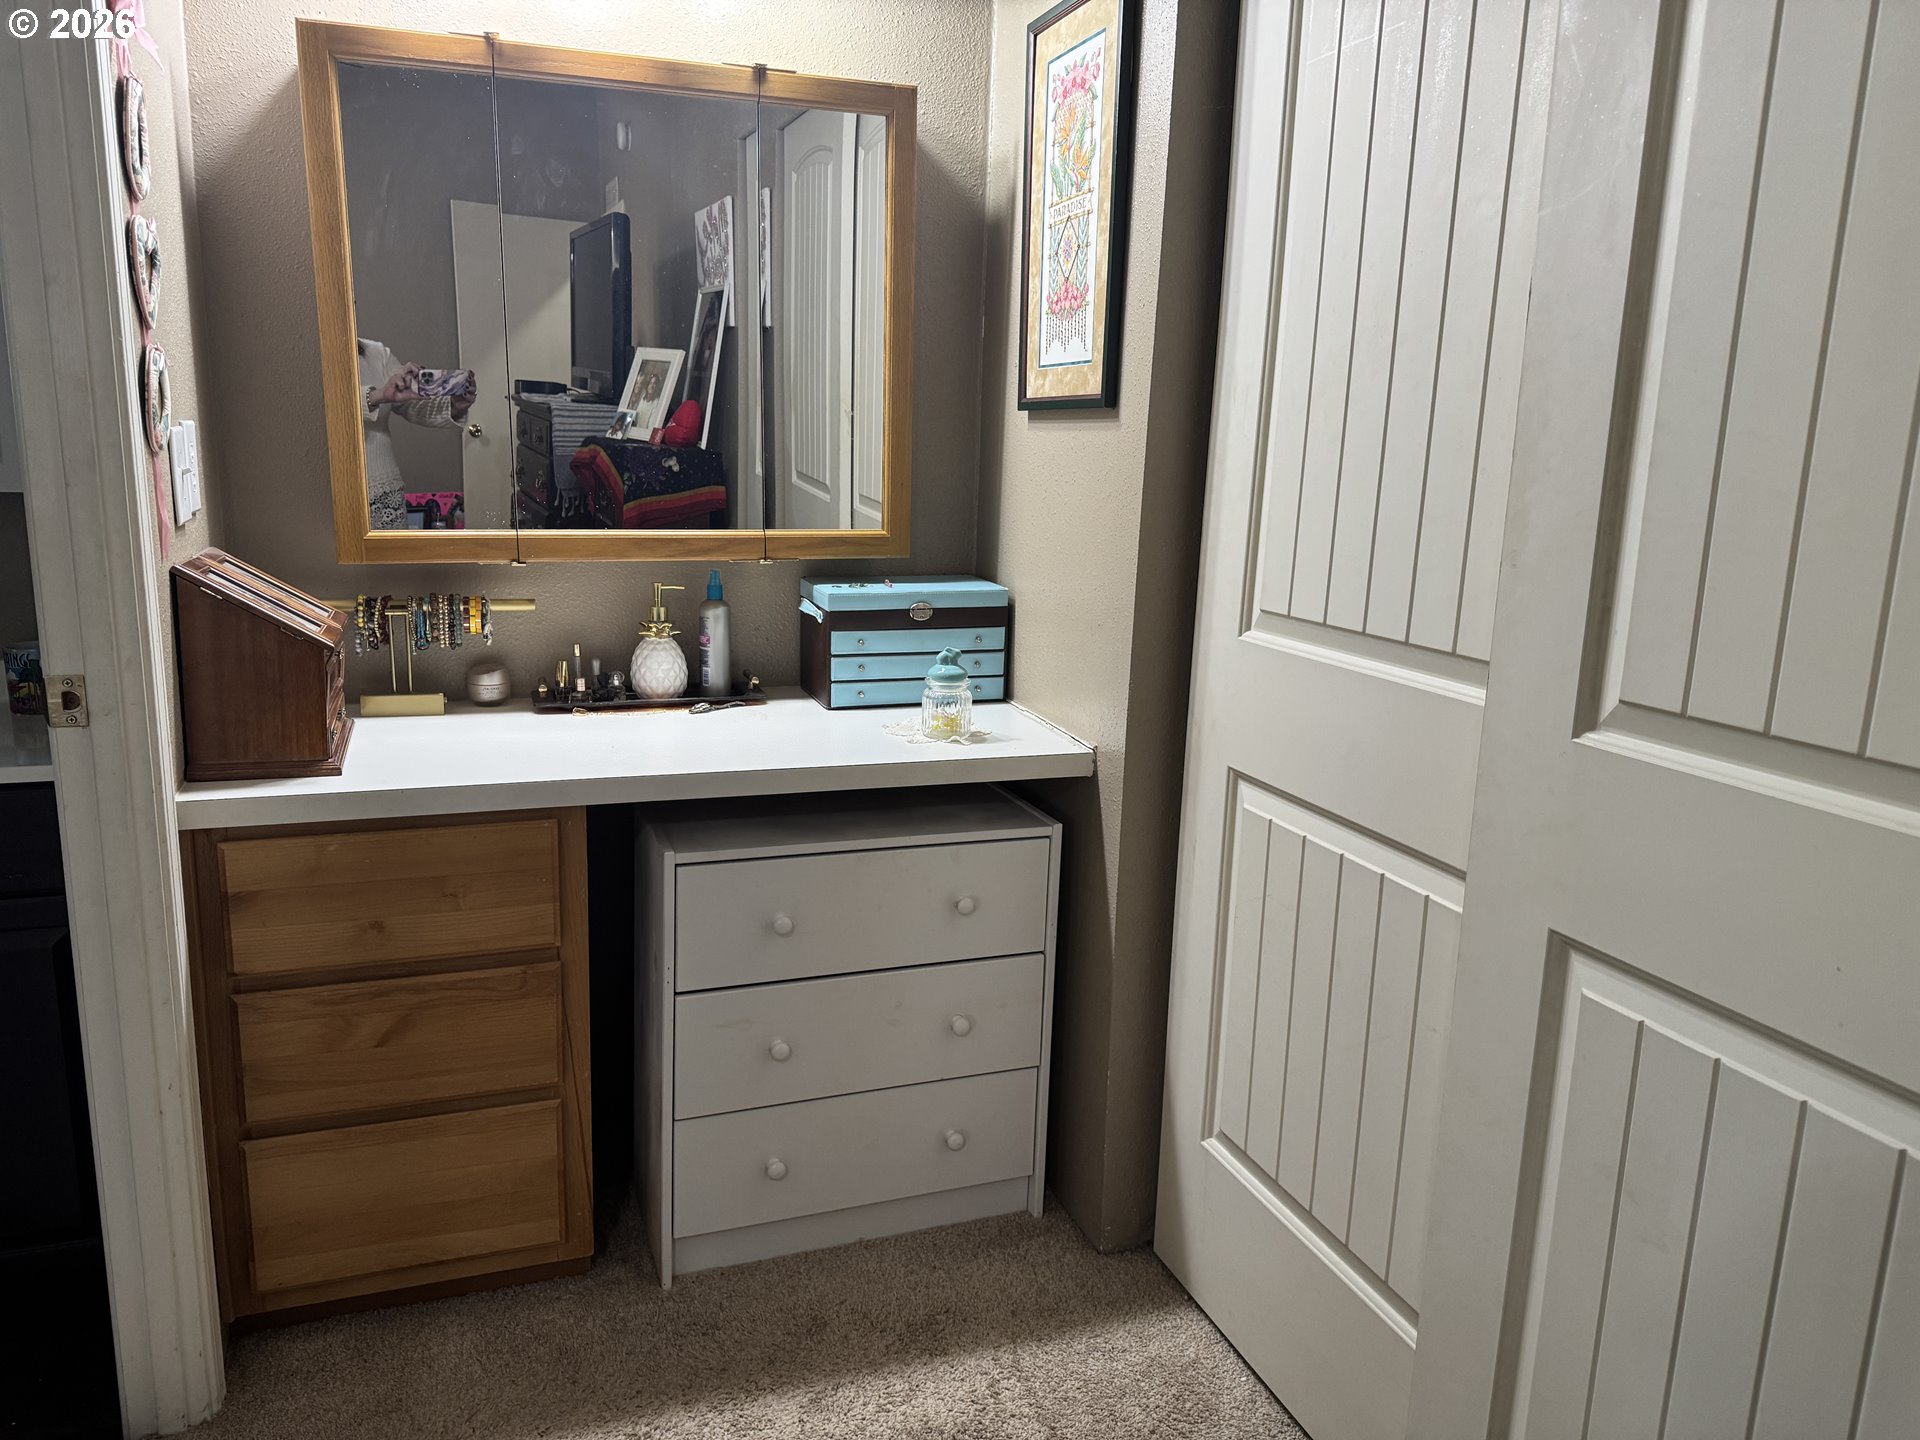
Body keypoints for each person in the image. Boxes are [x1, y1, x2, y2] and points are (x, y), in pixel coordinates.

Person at [357, 337, 473, 529]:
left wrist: (454, 407)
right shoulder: (310, 353)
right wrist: (377, 395)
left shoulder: (376, 352)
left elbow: (411, 403)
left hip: (384, 491)